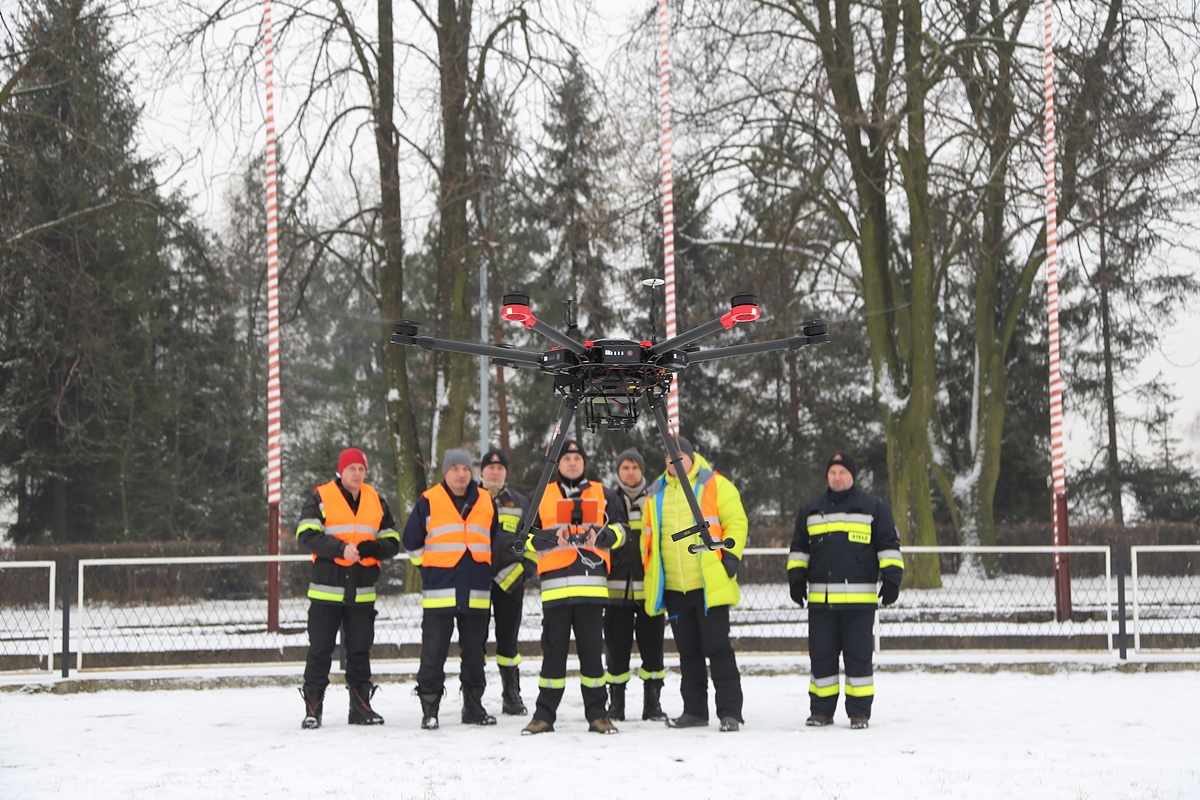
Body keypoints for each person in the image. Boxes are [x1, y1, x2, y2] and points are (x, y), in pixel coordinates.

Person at [787, 451, 904, 730]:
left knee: (859, 660)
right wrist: (795, 579)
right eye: (832, 473)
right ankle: (821, 712)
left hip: (859, 604)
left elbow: (888, 545)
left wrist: (892, 579)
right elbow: (799, 549)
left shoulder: (874, 508)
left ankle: (859, 713)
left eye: (842, 472)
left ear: (852, 476)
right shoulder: (810, 510)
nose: (837, 477)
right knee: (822, 658)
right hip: (821, 603)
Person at [643, 436, 749, 732]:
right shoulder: (655, 493)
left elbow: (737, 522)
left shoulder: (715, 484)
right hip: (676, 589)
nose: (673, 461)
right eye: (668, 456)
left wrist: (729, 559)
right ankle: (695, 711)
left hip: (708, 587)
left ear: (691, 457)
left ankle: (730, 713)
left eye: (679, 455)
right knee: (688, 653)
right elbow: (647, 537)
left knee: (718, 650)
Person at [521, 439, 625, 735]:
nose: (572, 463)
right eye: (566, 458)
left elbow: (621, 531)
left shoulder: (603, 493)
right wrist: (555, 539)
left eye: (577, 458)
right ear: (557, 463)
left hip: (591, 589)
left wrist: (600, 536)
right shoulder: (541, 494)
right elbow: (523, 537)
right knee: (552, 655)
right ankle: (543, 716)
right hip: (555, 590)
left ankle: (598, 715)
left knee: (593, 655)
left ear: (584, 463)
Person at [295, 447, 401, 729]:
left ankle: (361, 707)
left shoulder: (376, 499)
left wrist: (370, 549)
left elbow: (392, 541)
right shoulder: (321, 496)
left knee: (359, 651)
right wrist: (341, 549)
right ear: (340, 471)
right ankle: (313, 709)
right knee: (320, 651)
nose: (357, 474)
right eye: (352, 468)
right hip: (326, 590)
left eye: (361, 469)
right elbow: (305, 535)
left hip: (362, 591)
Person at [403, 448, 502, 730]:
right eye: (455, 468)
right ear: (445, 472)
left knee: (475, 653)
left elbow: (490, 537)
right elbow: (411, 542)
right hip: (440, 591)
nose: (461, 474)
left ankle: (473, 707)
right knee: (433, 653)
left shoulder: (486, 500)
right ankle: (430, 708)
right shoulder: (428, 500)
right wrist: (428, 567)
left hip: (476, 589)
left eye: (466, 468)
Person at [603, 447, 667, 722]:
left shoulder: (654, 499)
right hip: (614, 591)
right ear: (618, 472)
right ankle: (616, 704)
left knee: (653, 649)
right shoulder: (607, 501)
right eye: (625, 468)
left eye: (635, 468)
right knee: (616, 652)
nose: (630, 473)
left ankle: (652, 704)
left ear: (642, 471)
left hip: (649, 591)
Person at [478, 448, 532, 715]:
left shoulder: (520, 502)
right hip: (477, 581)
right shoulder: (470, 499)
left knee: (508, 641)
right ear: (481, 472)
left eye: (500, 468)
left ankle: (512, 695)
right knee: (475, 641)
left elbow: (534, 537)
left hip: (510, 582)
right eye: (490, 468)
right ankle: (473, 697)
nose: (495, 472)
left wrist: (526, 569)